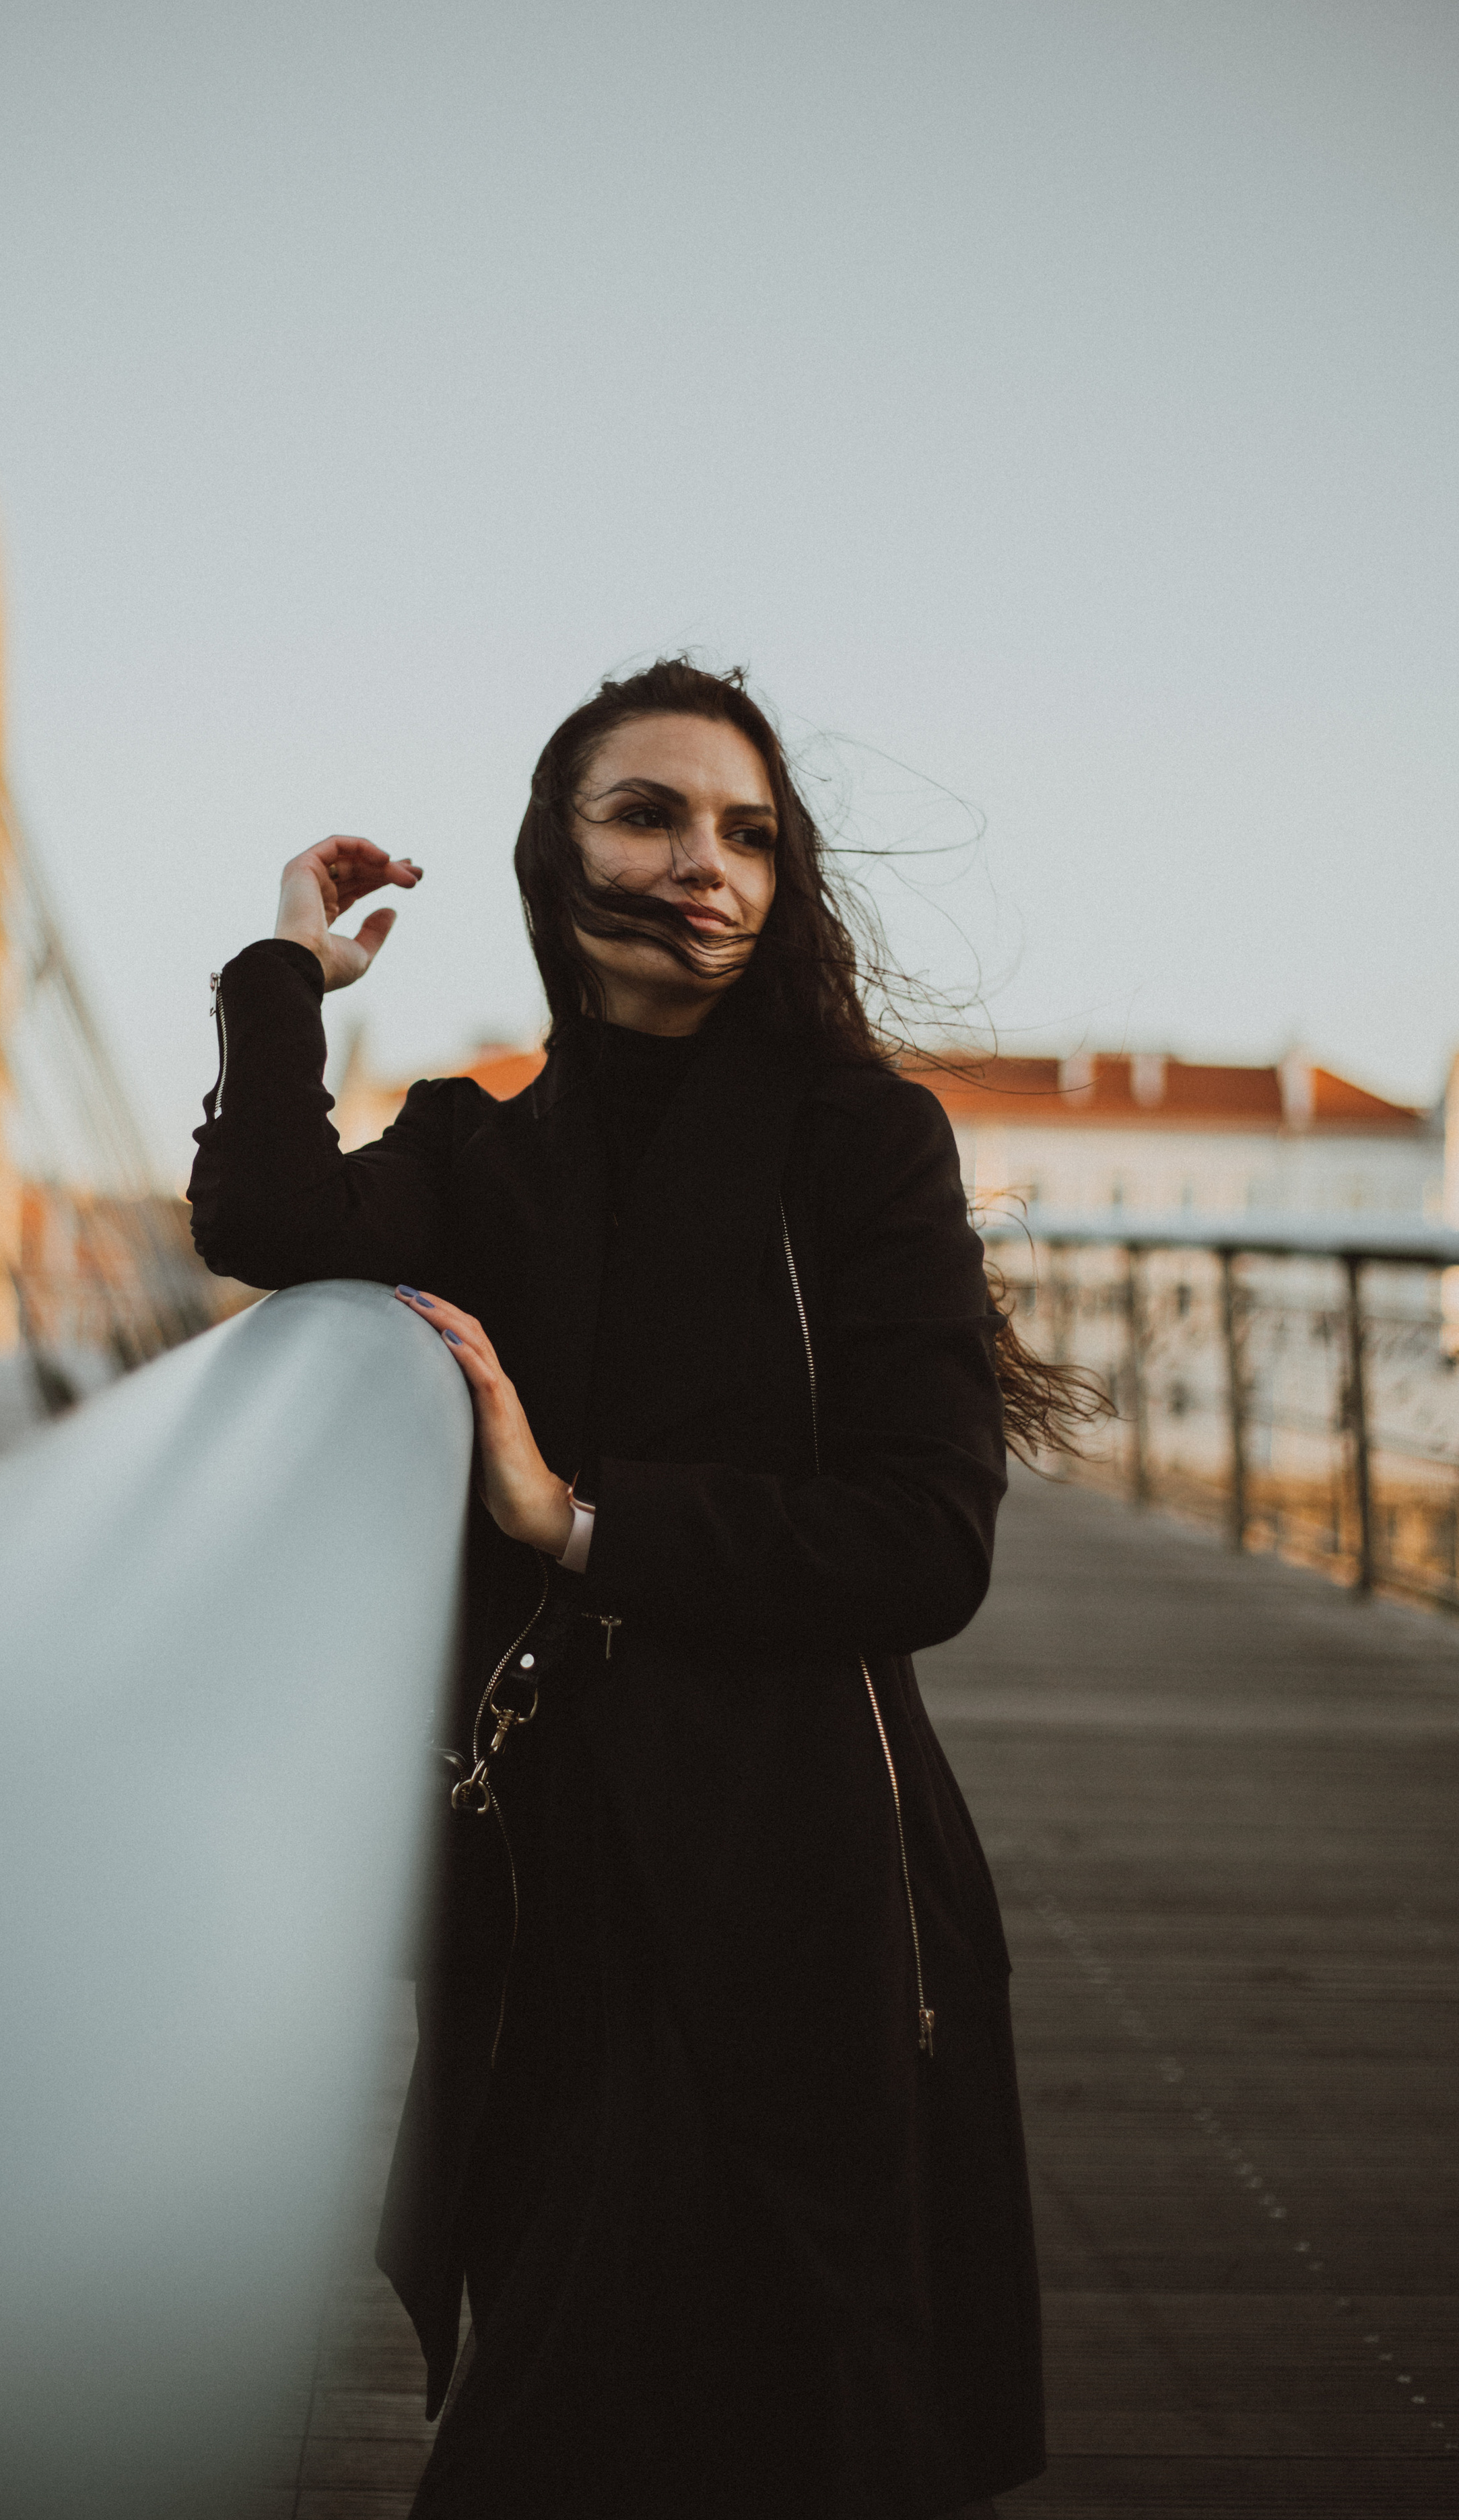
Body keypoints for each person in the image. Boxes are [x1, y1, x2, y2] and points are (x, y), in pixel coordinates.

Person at [189, 658, 1083, 2519]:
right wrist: (286, 972)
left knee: (789, 2414)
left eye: (751, 831)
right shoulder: (477, 1148)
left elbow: (930, 1536)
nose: (709, 865)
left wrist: (579, 1518)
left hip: (801, 1886)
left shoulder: (857, 1145)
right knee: (574, 2378)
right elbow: (268, 1222)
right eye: (650, 815)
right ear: (554, 853)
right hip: (548, 1876)